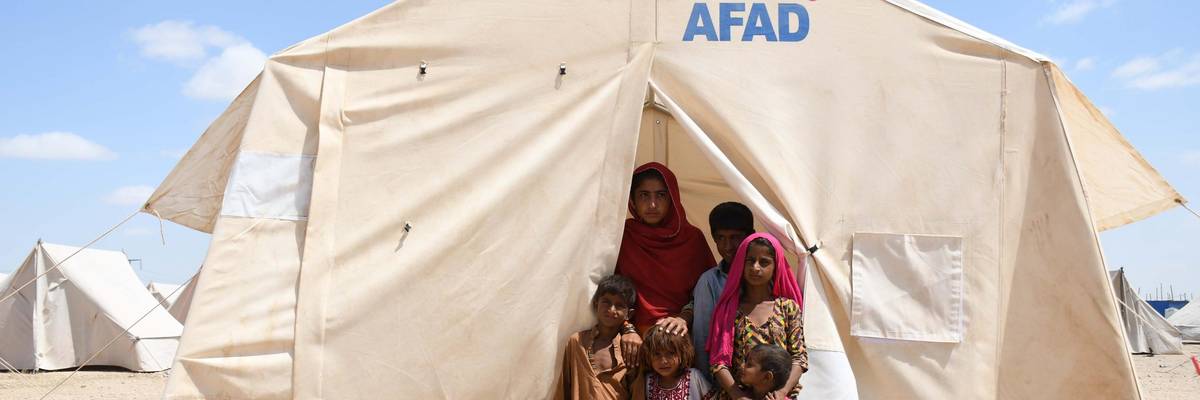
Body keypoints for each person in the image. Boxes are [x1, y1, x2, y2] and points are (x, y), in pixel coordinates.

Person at [616, 162, 715, 358]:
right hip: (631, 337)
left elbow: (707, 293)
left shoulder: (691, 239)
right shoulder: (622, 236)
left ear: (673, 199)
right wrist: (628, 328)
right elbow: (608, 289)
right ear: (632, 200)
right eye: (644, 195)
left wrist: (683, 319)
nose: (652, 204)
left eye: (660, 195)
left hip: (680, 336)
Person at [707, 234, 807, 400]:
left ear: (776, 266)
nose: (755, 267)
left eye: (764, 262)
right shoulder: (728, 310)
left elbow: (799, 358)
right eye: (750, 260)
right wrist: (738, 396)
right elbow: (718, 363)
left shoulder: (788, 308)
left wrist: (781, 393)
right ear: (741, 264)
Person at [693, 202, 754, 379]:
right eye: (721, 238)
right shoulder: (710, 281)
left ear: (749, 236)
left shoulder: (765, 277)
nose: (728, 246)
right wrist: (709, 386)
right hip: (724, 382)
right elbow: (703, 338)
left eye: (735, 237)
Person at [556, 275, 638, 400]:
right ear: (595, 304)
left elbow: (637, 392)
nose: (611, 309)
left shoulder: (629, 349)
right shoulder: (577, 342)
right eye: (606, 302)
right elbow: (564, 387)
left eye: (619, 305)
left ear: (629, 314)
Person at [630, 326, 713, 400]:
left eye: (670, 353)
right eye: (657, 354)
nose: (663, 361)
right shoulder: (648, 381)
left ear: (682, 353)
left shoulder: (694, 377)